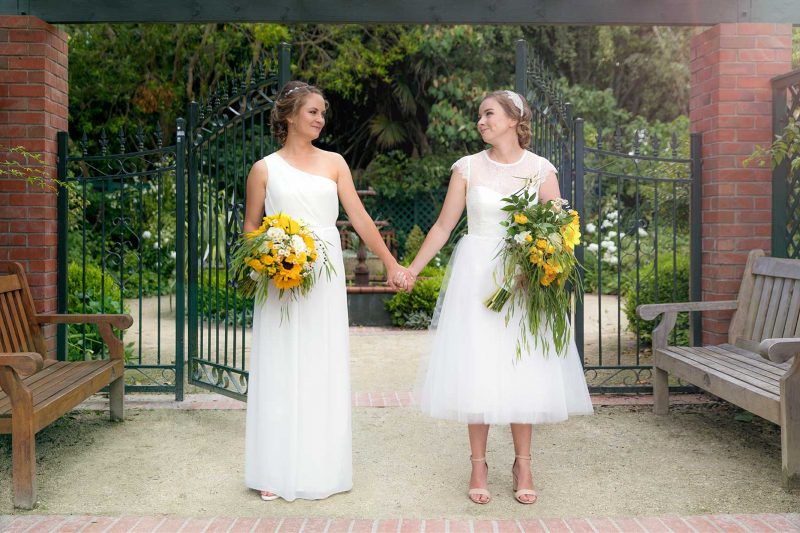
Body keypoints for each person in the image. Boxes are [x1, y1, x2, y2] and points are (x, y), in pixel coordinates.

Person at [401, 90, 593, 505]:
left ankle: (523, 464)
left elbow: (559, 230)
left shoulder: (540, 169)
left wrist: (537, 268)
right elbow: (443, 227)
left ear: (513, 120)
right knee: (478, 366)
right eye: (479, 115)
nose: (481, 121)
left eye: (488, 114)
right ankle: (478, 464)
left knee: (524, 366)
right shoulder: (467, 167)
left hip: (524, 281)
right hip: (476, 279)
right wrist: (412, 269)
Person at [242, 81, 409, 501]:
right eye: (313, 111)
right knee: (280, 364)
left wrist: (391, 264)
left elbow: (360, 218)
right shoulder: (264, 169)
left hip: (324, 276)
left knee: (321, 363)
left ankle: (321, 466)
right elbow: (251, 227)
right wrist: (268, 258)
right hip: (280, 280)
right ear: (289, 116)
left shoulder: (335, 163)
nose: (320, 119)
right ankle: (275, 469)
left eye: (322, 113)